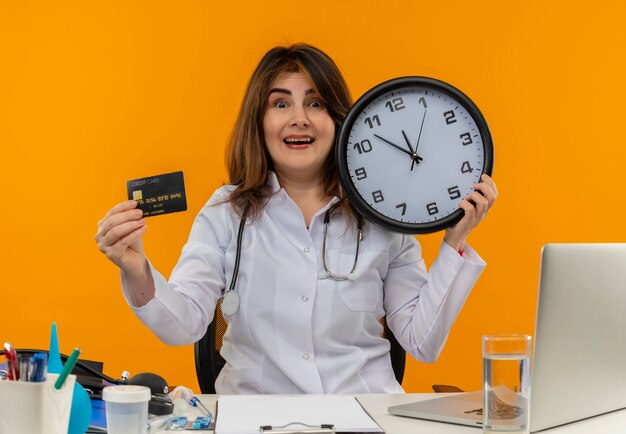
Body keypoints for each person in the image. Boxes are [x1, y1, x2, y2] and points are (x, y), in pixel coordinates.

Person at [95, 43, 498, 394]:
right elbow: (182, 325)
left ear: (340, 119)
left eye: (316, 103)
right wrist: (136, 270)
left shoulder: (382, 213)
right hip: (254, 418)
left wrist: (454, 242)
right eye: (281, 103)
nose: (299, 118)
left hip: (363, 413)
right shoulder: (225, 211)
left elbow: (421, 341)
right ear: (261, 121)